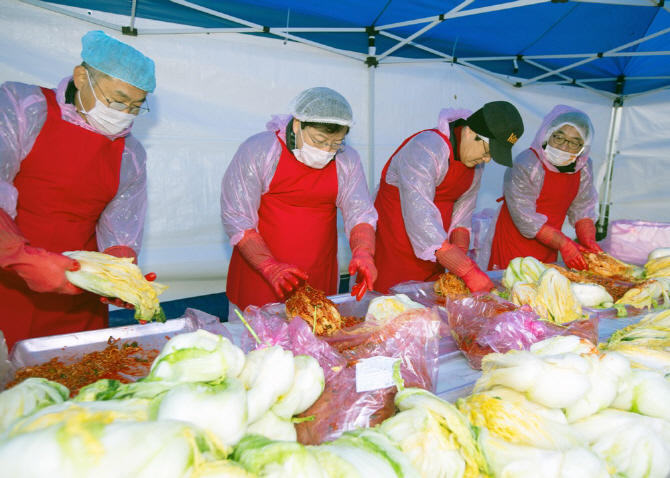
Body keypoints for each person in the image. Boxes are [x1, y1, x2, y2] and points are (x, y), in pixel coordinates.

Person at [0, 30, 156, 349]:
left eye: (136, 107)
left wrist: (119, 276)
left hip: (77, 293)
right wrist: (18, 257)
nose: (124, 114)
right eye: (117, 100)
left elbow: (120, 231)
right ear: (81, 77)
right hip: (7, 277)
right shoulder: (23, 106)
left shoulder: (130, 154)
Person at [221, 87, 378, 313]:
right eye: (319, 140)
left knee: (313, 332)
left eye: (336, 143)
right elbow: (237, 218)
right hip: (261, 271)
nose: (326, 150)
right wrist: (267, 265)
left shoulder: (347, 160)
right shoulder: (260, 150)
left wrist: (363, 251)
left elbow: (360, 213)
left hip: (317, 270)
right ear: (297, 124)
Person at [373, 102, 524, 294]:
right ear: (469, 131)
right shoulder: (427, 148)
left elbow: (463, 214)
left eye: (492, 156)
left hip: (437, 253)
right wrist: (466, 269)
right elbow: (419, 216)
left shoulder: (475, 165)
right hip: (394, 249)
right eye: (487, 151)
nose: (487, 160)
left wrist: (458, 255)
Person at [487, 105, 601, 271]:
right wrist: (563, 243)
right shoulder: (526, 163)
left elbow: (583, 207)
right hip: (515, 241)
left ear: (583, 147)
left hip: (550, 243)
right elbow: (525, 217)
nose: (563, 147)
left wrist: (588, 239)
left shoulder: (583, 168)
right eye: (559, 138)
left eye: (574, 143)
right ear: (547, 134)